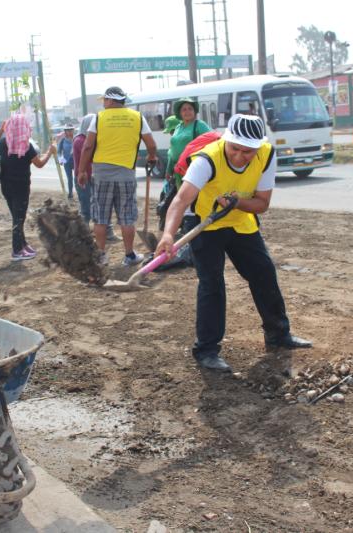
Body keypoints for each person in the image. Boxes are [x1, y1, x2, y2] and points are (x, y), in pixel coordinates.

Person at [155, 114, 313, 372]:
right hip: (205, 224)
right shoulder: (207, 160)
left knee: (263, 274)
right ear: (226, 141)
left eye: (248, 151)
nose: (240, 156)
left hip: (240, 221)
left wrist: (237, 203)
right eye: (235, 148)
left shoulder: (266, 155)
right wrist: (168, 235)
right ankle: (206, 350)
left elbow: (262, 203)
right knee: (212, 284)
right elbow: (181, 201)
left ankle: (278, 335)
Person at [77, 86, 158, 266]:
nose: (104, 104)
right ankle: (129, 256)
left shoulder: (99, 118)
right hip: (126, 175)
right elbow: (151, 144)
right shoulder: (137, 117)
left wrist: (81, 171)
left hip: (102, 176)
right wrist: (152, 156)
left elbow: (88, 147)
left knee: (100, 217)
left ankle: (101, 256)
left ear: (111, 100)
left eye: (105, 100)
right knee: (127, 217)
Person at [0, 115, 56, 261]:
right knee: (19, 219)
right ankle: (17, 251)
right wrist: (50, 152)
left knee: (16, 216)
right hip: (21, 187)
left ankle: (23, 244)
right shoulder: (25, 146)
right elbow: (39, 164)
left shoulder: (3, 143)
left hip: (6, 187)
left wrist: (1, 129)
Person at [73, 114, 118, 240]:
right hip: (83, 178)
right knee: (86, 208)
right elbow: (91, 155)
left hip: (95, 177)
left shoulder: (91, 139)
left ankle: (108, 232)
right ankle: (85, 235)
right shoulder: (80, 140)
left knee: (102, 206)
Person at [165, 98, 212, 190]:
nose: (187, 112)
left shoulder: (199, 125)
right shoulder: (178, 127)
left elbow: (212, 140)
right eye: (184, 109)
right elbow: (172, 150)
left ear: (194, 111)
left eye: (190, 109)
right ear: (180, 113)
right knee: (182, 199)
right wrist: (168, 170)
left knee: (194, 199)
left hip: (193, 170)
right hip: (178, 171)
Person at [57, 124, 75, 200]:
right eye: (67, 130)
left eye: (71, 130)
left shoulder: (76, 139)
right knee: (69, 178)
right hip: (67, 162)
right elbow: (58, 151)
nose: (69, 132)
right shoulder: (63, 140)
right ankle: (70, 193)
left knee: (77, 178)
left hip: (76, 161)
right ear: (65, 131)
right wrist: (61, 160)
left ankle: (80, 192)